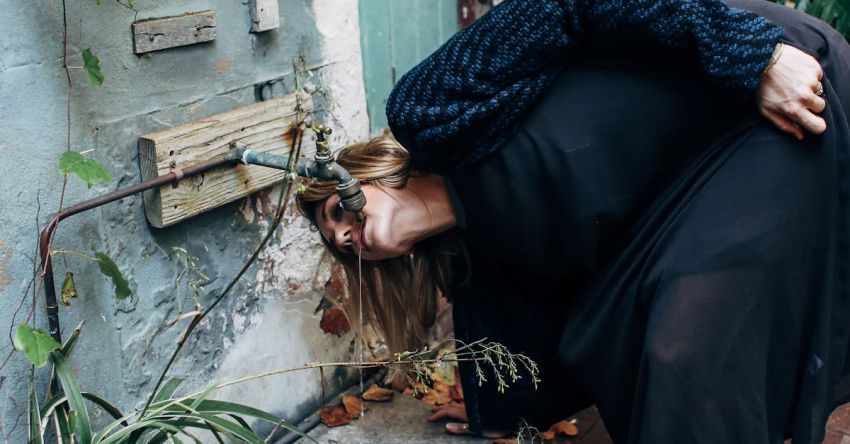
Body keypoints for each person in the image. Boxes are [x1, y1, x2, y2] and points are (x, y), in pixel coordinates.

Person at [297, 0, 850, 442]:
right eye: (340, 245)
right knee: (642, 349)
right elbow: (541, 338)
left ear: (365, 176)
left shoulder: (430, 113)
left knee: (687, 356)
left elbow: (569, 3)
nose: (346, 235)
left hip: (751, 88)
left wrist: (753, 55)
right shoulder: (477, 258)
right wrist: (504, 410)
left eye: (336, 213)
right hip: (698, 180)